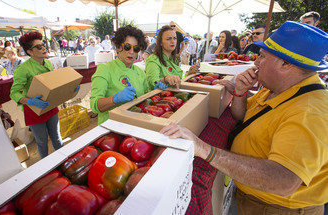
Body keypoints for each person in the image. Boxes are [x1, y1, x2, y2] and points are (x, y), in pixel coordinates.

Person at [160, 21, 328, 215]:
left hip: (278, 209)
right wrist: (239, 93)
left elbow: (284, 181)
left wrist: (204, 149)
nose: (256, 62)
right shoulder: (278, 89)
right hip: (257, 200)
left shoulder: (309, 112)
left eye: (263, 57)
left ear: (285, 64)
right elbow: (243, 116)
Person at [10, 32, 72, 159]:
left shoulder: (48, 63)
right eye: (38, 47)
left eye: (43, 45)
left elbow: (54, 84)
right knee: (42, 141)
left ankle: (64, 160)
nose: (43, 48)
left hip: (50, 105)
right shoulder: (23, 69)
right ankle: (46, 166)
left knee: (57, 137)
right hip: (34, 110)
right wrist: (31, 101)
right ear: (30, 52)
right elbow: (14, 93)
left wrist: (69, 88)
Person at [90, 25, 165, 125]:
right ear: (118, 47)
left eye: (136, 48)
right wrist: (115, 99)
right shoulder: (105, 69)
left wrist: (155, 91)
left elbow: (144, 99)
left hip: (136, 124)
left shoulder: (140, 72)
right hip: (112, 128)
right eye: (127, 47)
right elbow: (95, 105)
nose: (131, 52)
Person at [145, 25, 199, 91]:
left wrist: (189, 73)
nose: (173, 41)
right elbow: (152, 81)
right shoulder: (153, 60)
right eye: (168, 39)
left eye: (175, 38)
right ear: (160, 42)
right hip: (159, 98)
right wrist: (165, 79)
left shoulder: (175, 59)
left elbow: (179, 78)